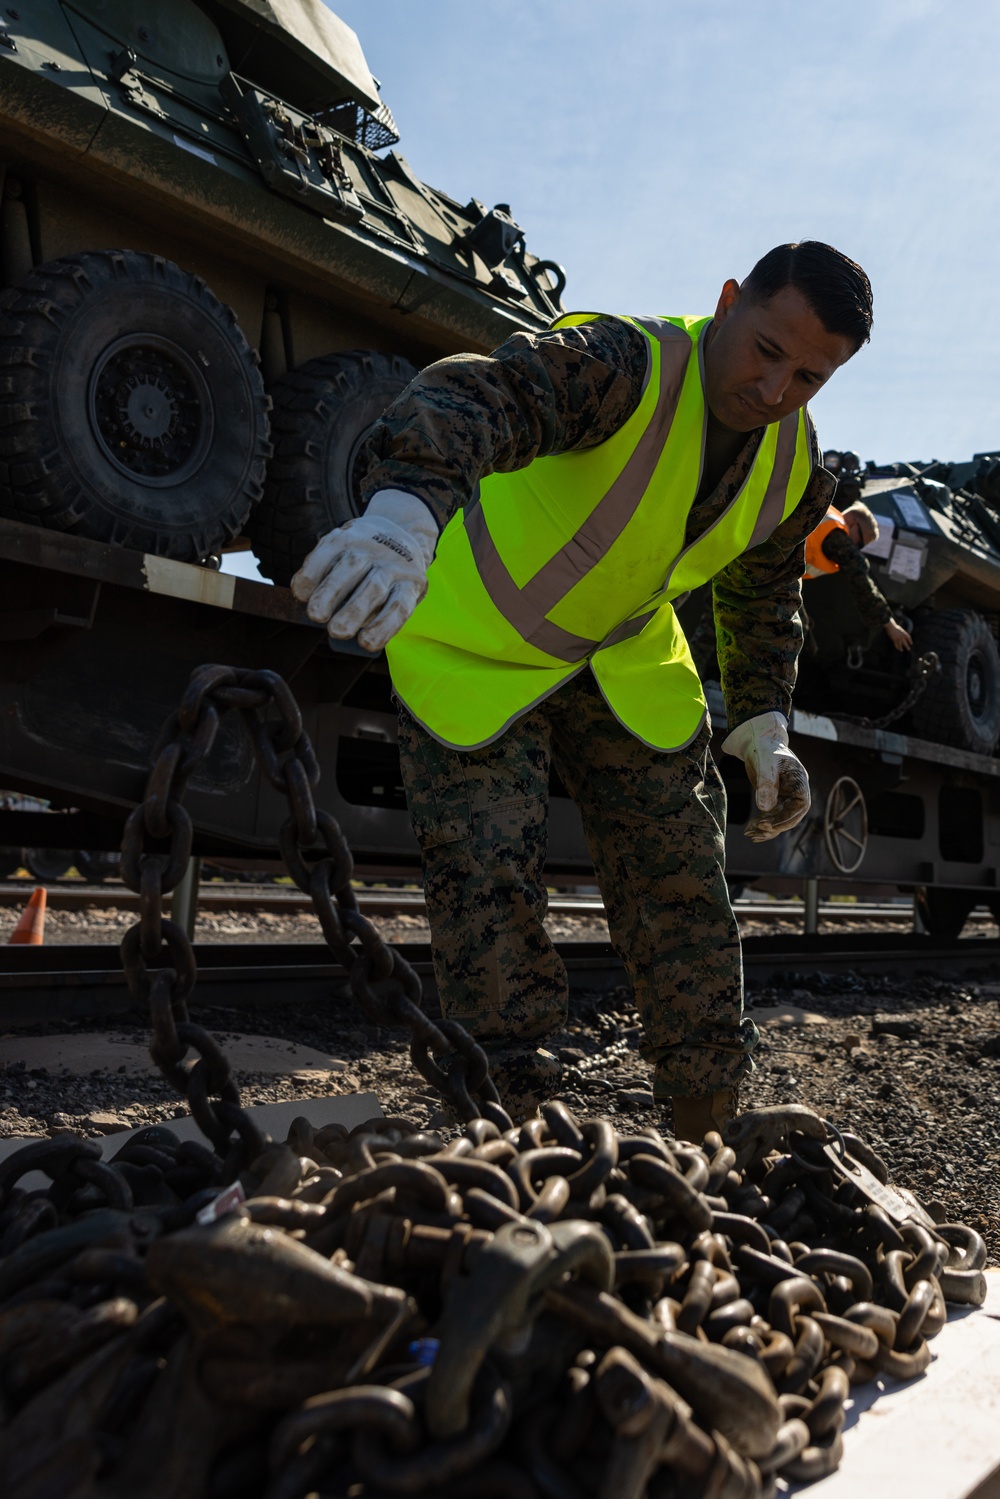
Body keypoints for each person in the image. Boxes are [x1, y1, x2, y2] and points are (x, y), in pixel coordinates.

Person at [292, 240, 873, 1139]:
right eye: (766, 350)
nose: (774, 391)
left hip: (621, 657)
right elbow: (478, 393)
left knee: (683, 874)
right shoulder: (623, 364)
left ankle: (707, 1112)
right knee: (489, 891)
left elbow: (764, 585)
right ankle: (505, 1120)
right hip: (478, 644)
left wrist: (763, 720)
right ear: (726, 301)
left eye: (808, 377)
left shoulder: (792, 462)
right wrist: (405, 510)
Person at [804, 499, 913, 651]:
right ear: (853, 521)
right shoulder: (836, 532)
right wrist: (890, 625)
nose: (856, 547)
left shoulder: (826, 511)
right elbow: (861, 581)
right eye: (860, 542)